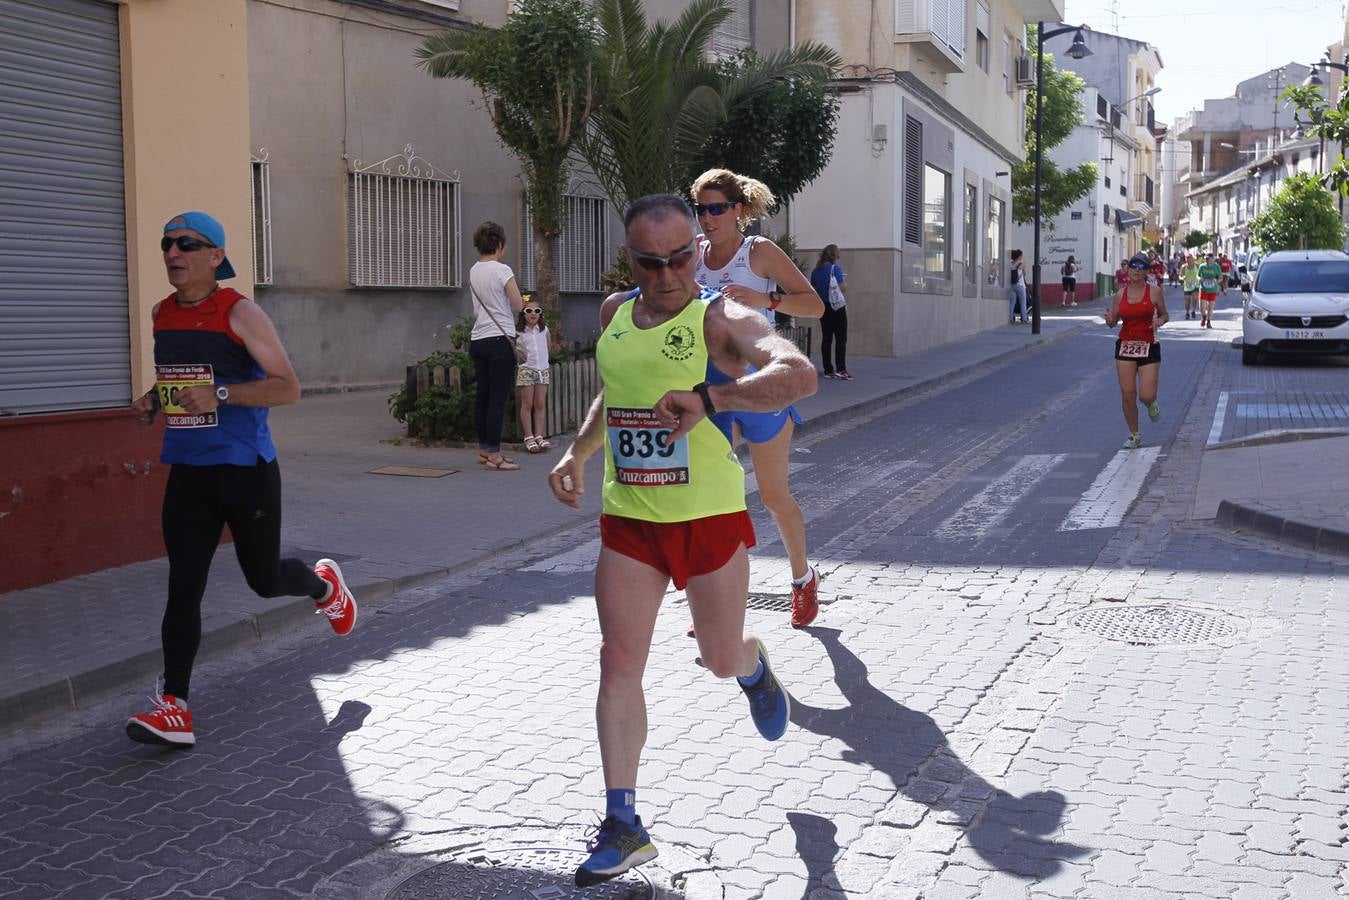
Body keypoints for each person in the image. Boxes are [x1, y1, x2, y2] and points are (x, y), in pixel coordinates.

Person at [548, 194, 817, 887]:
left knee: (719, 657)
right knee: (617, 664)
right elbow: (614, 394)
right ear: (628, 257)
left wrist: (713, 397)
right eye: (649, 261)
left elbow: (797, 374)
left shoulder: (721, 316)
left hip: (706, 518)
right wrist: (577, 455)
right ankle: (623, 824)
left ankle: (754, 668)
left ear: (697, 249)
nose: (665, 274)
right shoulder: (614, 314)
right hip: (630, 520)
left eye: (679, 258)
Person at [126, 212, 357, 748]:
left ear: (215, 257)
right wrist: (151, 402)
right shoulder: (161, 314)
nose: (172, 253)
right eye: (166, 244)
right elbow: (181, 383)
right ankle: (175, 706)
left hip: (245, 471)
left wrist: (223, 395)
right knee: (183, 586)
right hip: (188, 471)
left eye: (186, 245)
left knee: (263, 579)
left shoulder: (241, 312)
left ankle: (325, 587)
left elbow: (288, 388)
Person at [690, 169, 825, 627]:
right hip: (713, 388)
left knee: (772, 496)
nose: (708, 219)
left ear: (738, 211)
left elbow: (814, 304)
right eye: (701, 209)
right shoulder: (693, 255)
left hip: (764, 384)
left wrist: (764, 300)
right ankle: (713, 600)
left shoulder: (759, 252)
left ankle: (803, 580)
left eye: (716, 209)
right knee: (714, 497)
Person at [468, 221, 525, 470]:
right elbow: (517, 305)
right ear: (500, 245)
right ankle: (494, 455)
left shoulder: (473, 270)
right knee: (497, 400)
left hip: (478, 338)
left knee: (483, 396)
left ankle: (483, 449)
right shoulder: (503, 270)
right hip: (500, 339)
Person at [1104, 252, 1168, 450]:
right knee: (1127, 394)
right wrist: (1109, 320)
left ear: (1147, 272)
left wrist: (1159, 320)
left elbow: (1165, 314)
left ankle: (1151, 404)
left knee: (1146, 395)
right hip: (1126, 345)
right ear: (1128, 270)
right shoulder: (1120, 295)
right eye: (1133, 267)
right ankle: (1134, 434)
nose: (1136, 271)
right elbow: (1113, 321)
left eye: (1141, 268)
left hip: (1149, 345)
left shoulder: (1155, 292)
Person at [515, 296, 553, 453]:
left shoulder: (544, 330)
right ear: (523, 313)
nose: (533, 314)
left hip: (542, 369)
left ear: (540, 314)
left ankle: (539, 435)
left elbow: (548, 348)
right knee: (527, 404)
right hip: (527, 369)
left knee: (540, 404)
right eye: (529, 310)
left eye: (537, 311)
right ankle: (529, 436)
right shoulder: (518, 331)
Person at [811, 244, 848, 378]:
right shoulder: (835, 269)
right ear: (835, 255)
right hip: (837, 307)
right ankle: (841, 369)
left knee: (826, 338)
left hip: (823, 307)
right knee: (841, 339)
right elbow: (843, 288)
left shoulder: (816, 271)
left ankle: (828, 370)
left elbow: (813, 289)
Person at [1197, 252, 1223, 329]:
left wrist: (1216, 281)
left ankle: (1208, 322)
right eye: (1206, 258)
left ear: (1213, 259)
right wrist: (1199, 279)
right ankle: (1203, 316)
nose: (1207, 260)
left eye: (1208, 258)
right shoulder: (1202, 266)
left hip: (1213, 289)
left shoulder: (1216, 267)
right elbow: (1198, 275)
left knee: (1210, 307)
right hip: (1203, 288)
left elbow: (1220, 278)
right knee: (1202, 306)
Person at [1009, 250, 1028, 324]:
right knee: (1023, 302)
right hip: (1020, 285)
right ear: (1019, 256)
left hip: (1012, 285)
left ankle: (1010, 318)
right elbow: (1025, 273)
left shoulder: (1010, 264)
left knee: (1012, 302)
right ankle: (1024, 318)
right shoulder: (1021, 263)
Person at [1182, 254, 1201, 320]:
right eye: (1187, 258)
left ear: (1192, 258)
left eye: (1189, 258)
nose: (1188, 260)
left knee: (1195, 297)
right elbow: (1180, 276)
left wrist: (1199, 278)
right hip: (1187, 285)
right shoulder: (1183, 267)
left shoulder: (1197, 265)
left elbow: (1200, 273)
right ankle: (1187, 312)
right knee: (1187, 300)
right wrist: (1182, 278)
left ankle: (1193, 310)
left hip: (1195, 284)